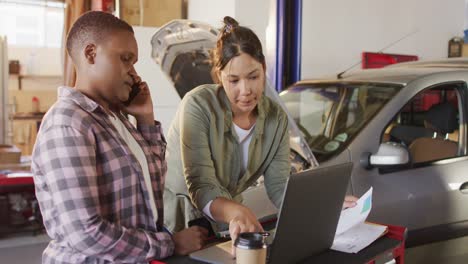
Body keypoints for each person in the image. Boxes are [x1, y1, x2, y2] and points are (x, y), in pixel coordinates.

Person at [163, 16, 358, 254]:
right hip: (178, 226)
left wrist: (321, 208)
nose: (245, 90)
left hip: (224, 226)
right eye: (233, 80)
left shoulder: (276, 118)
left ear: (264, 69)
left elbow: (278, 186)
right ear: (218, 75)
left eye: (253, 77)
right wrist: (237, 211)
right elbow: (201, 185)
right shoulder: (197, 105)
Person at [31, 11, 207, 264]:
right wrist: (170, 244)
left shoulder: (115, 119)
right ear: (91, 54)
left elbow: (155, 186)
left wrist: (145, 118)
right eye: (125, 59)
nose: (133, 72)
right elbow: (85, 233)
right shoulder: (68, 122)